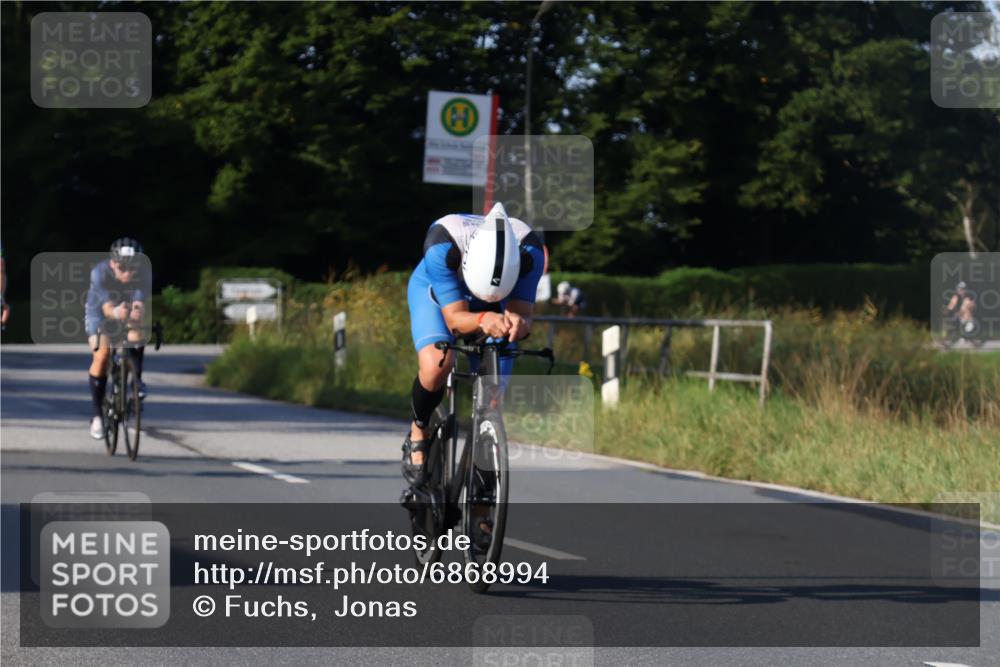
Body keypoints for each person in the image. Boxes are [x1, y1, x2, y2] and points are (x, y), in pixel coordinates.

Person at [402, 202, 544, 487]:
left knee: (492, 398)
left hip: (497, 307)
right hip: (438, 296)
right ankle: (419, 430)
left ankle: (481, 504)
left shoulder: (531, 252)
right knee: (437, 365)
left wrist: (519, 324)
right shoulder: (442, 243)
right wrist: (481, 318)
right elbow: (454, 321)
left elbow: (523, 316)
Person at [86, 238, 148, 439]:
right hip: (100, 309)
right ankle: (97, 416)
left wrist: (134, 314)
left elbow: (139, 303)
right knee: (102, 354)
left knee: (136, 330)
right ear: (112, 263)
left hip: (127, 303)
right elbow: (107, 308)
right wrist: (116, 312)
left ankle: (136, 381)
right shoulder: (99, 273)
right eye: (122, 267)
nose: (128, 273)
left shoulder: (144, 273)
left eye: (133, 268)